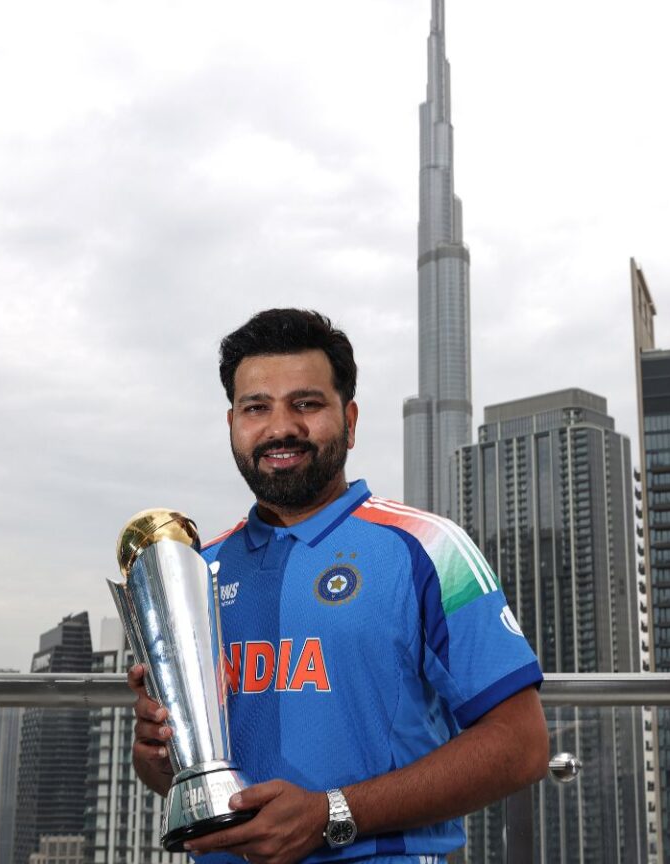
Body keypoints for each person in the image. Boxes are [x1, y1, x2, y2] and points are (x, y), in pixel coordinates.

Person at [129, 308, 549, 864]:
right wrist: (158, 753)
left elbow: (522, 746)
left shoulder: (427, 547)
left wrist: (330, 814)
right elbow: (173, 775)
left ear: (349, 421)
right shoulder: (194, 571)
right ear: (232, 424)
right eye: (257, 408)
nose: (281, 428)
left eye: (306, 404)